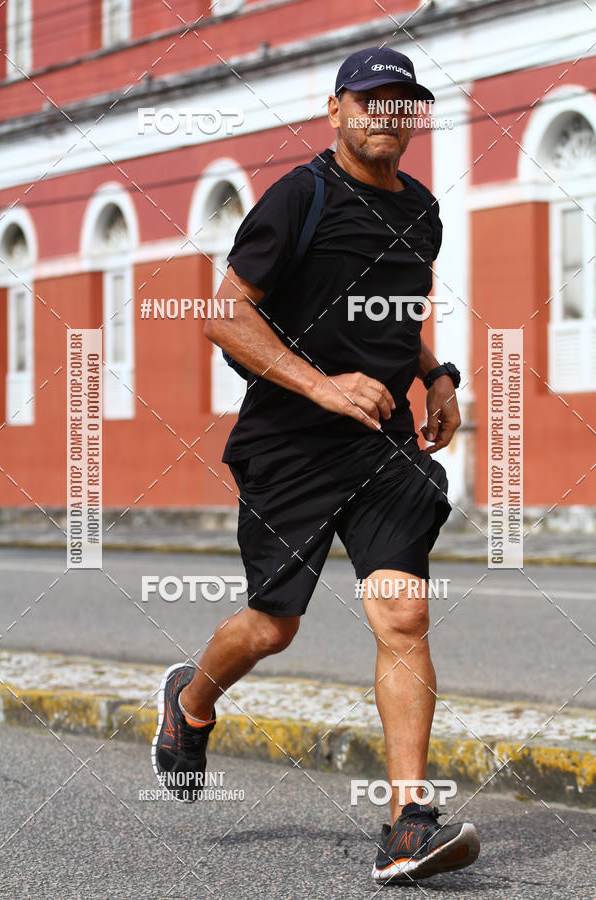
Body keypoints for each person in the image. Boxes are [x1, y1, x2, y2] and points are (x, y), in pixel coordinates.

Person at [152, 45, 480, 885]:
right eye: (368, 101)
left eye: (401, 102)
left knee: (403, 616)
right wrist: (323, 388)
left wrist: (433, 376)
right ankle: (191, 704)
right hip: (289, 445)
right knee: (274, 625)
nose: (385, 114)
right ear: (335, 112)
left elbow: (394, 316)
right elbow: (227, 318)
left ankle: (408, 823)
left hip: (381, 447)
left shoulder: (422, 211)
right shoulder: (301, 196)